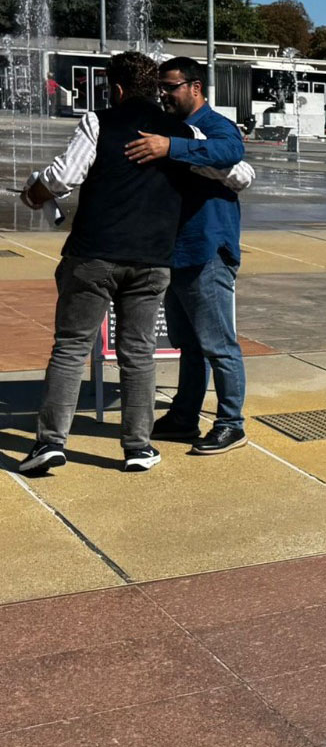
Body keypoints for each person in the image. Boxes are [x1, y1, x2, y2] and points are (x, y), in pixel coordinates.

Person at [17, 53, 202, 475]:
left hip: (95, 254)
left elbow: (64, 176)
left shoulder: (99, 121)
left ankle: (50, 442)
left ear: (116, 88)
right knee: (138, 353)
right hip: (152, 258)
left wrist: (34, 193)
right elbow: (233, 171)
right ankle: (138, 446)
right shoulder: (184, 133)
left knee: (70, 347)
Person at [132, 56, 256, 454]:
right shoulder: (171, 125)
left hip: (207, 251)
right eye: (161, 88)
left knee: (219, 344)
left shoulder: (214, 125)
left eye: (171, 87)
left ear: (195, 88)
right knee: (190, 343)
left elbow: (232, 151)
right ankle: (184, 416)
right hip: (177, 251)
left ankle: (231, 424)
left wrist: (171, 146)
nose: (164, 95)